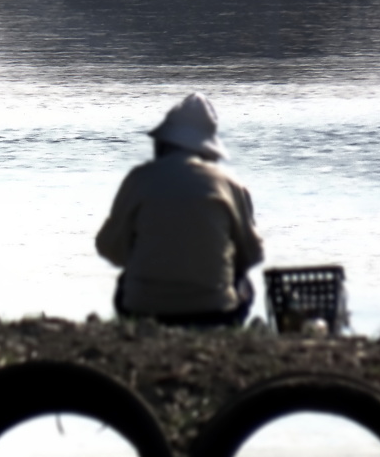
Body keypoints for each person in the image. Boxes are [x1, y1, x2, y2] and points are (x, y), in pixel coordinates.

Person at [95, 92, 264, 327]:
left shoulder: (139, 179)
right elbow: (252, 254)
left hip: (143, 310)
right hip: (215, 313)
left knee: (126, 281)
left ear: (163, 143)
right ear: (207, 151)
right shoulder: (230, 185)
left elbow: (109, 247)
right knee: (243, 281)